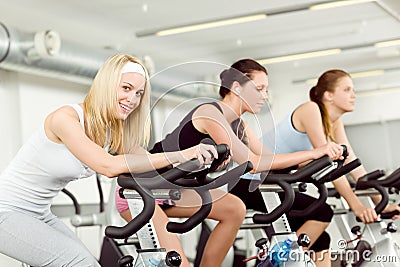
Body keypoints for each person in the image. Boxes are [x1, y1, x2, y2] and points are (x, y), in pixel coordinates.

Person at [116, 58, 344, 266]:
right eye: (259, 89)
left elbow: (267, 158)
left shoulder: (238, 124)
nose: (265, 96)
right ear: (237, 88)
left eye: (266, 90)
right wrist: (316, 152)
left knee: (234, 209)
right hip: (142, 190)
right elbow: (253, 163)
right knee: (178, 260)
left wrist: (315, 158)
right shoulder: (210, 113)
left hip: (174, 188)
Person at [0, 54, 220, 267]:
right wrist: (183, 154)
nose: (132, 99)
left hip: (40, 212)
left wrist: (197, 161)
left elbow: (146, 161)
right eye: (126, 88)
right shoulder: (65, 119)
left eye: (138, 93)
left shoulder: (112, 131)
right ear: (106, 85)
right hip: (6, 212)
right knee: (77, 262)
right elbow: (109, 166)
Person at [256, 69, 400, 266]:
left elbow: (351, 162)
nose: (353, 95)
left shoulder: (334, 122)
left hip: (276, 186)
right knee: (322, 213)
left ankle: (284, 260)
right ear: (329, 95)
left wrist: (378, 201)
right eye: (347, 89)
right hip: (253, 183)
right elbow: (330, 165)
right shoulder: (310, 110)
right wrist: (356, 206)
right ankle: (278, 263)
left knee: (322, 241)